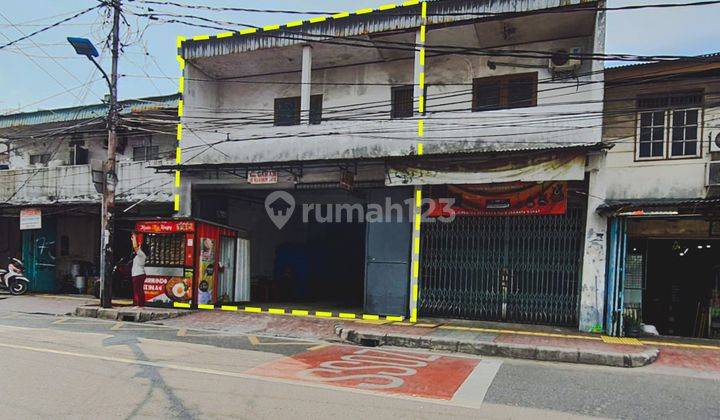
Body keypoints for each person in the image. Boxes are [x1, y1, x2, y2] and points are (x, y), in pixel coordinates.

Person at [131, 242, 149, 307]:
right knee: (138, 290)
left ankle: (140, 305)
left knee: (138, 290)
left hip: (138, 274)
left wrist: (134, 238)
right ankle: (139, 304)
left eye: (140, 246)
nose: (139, 247)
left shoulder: (141, 254)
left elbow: (135, 247)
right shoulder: (141, 255)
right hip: (137, 274)